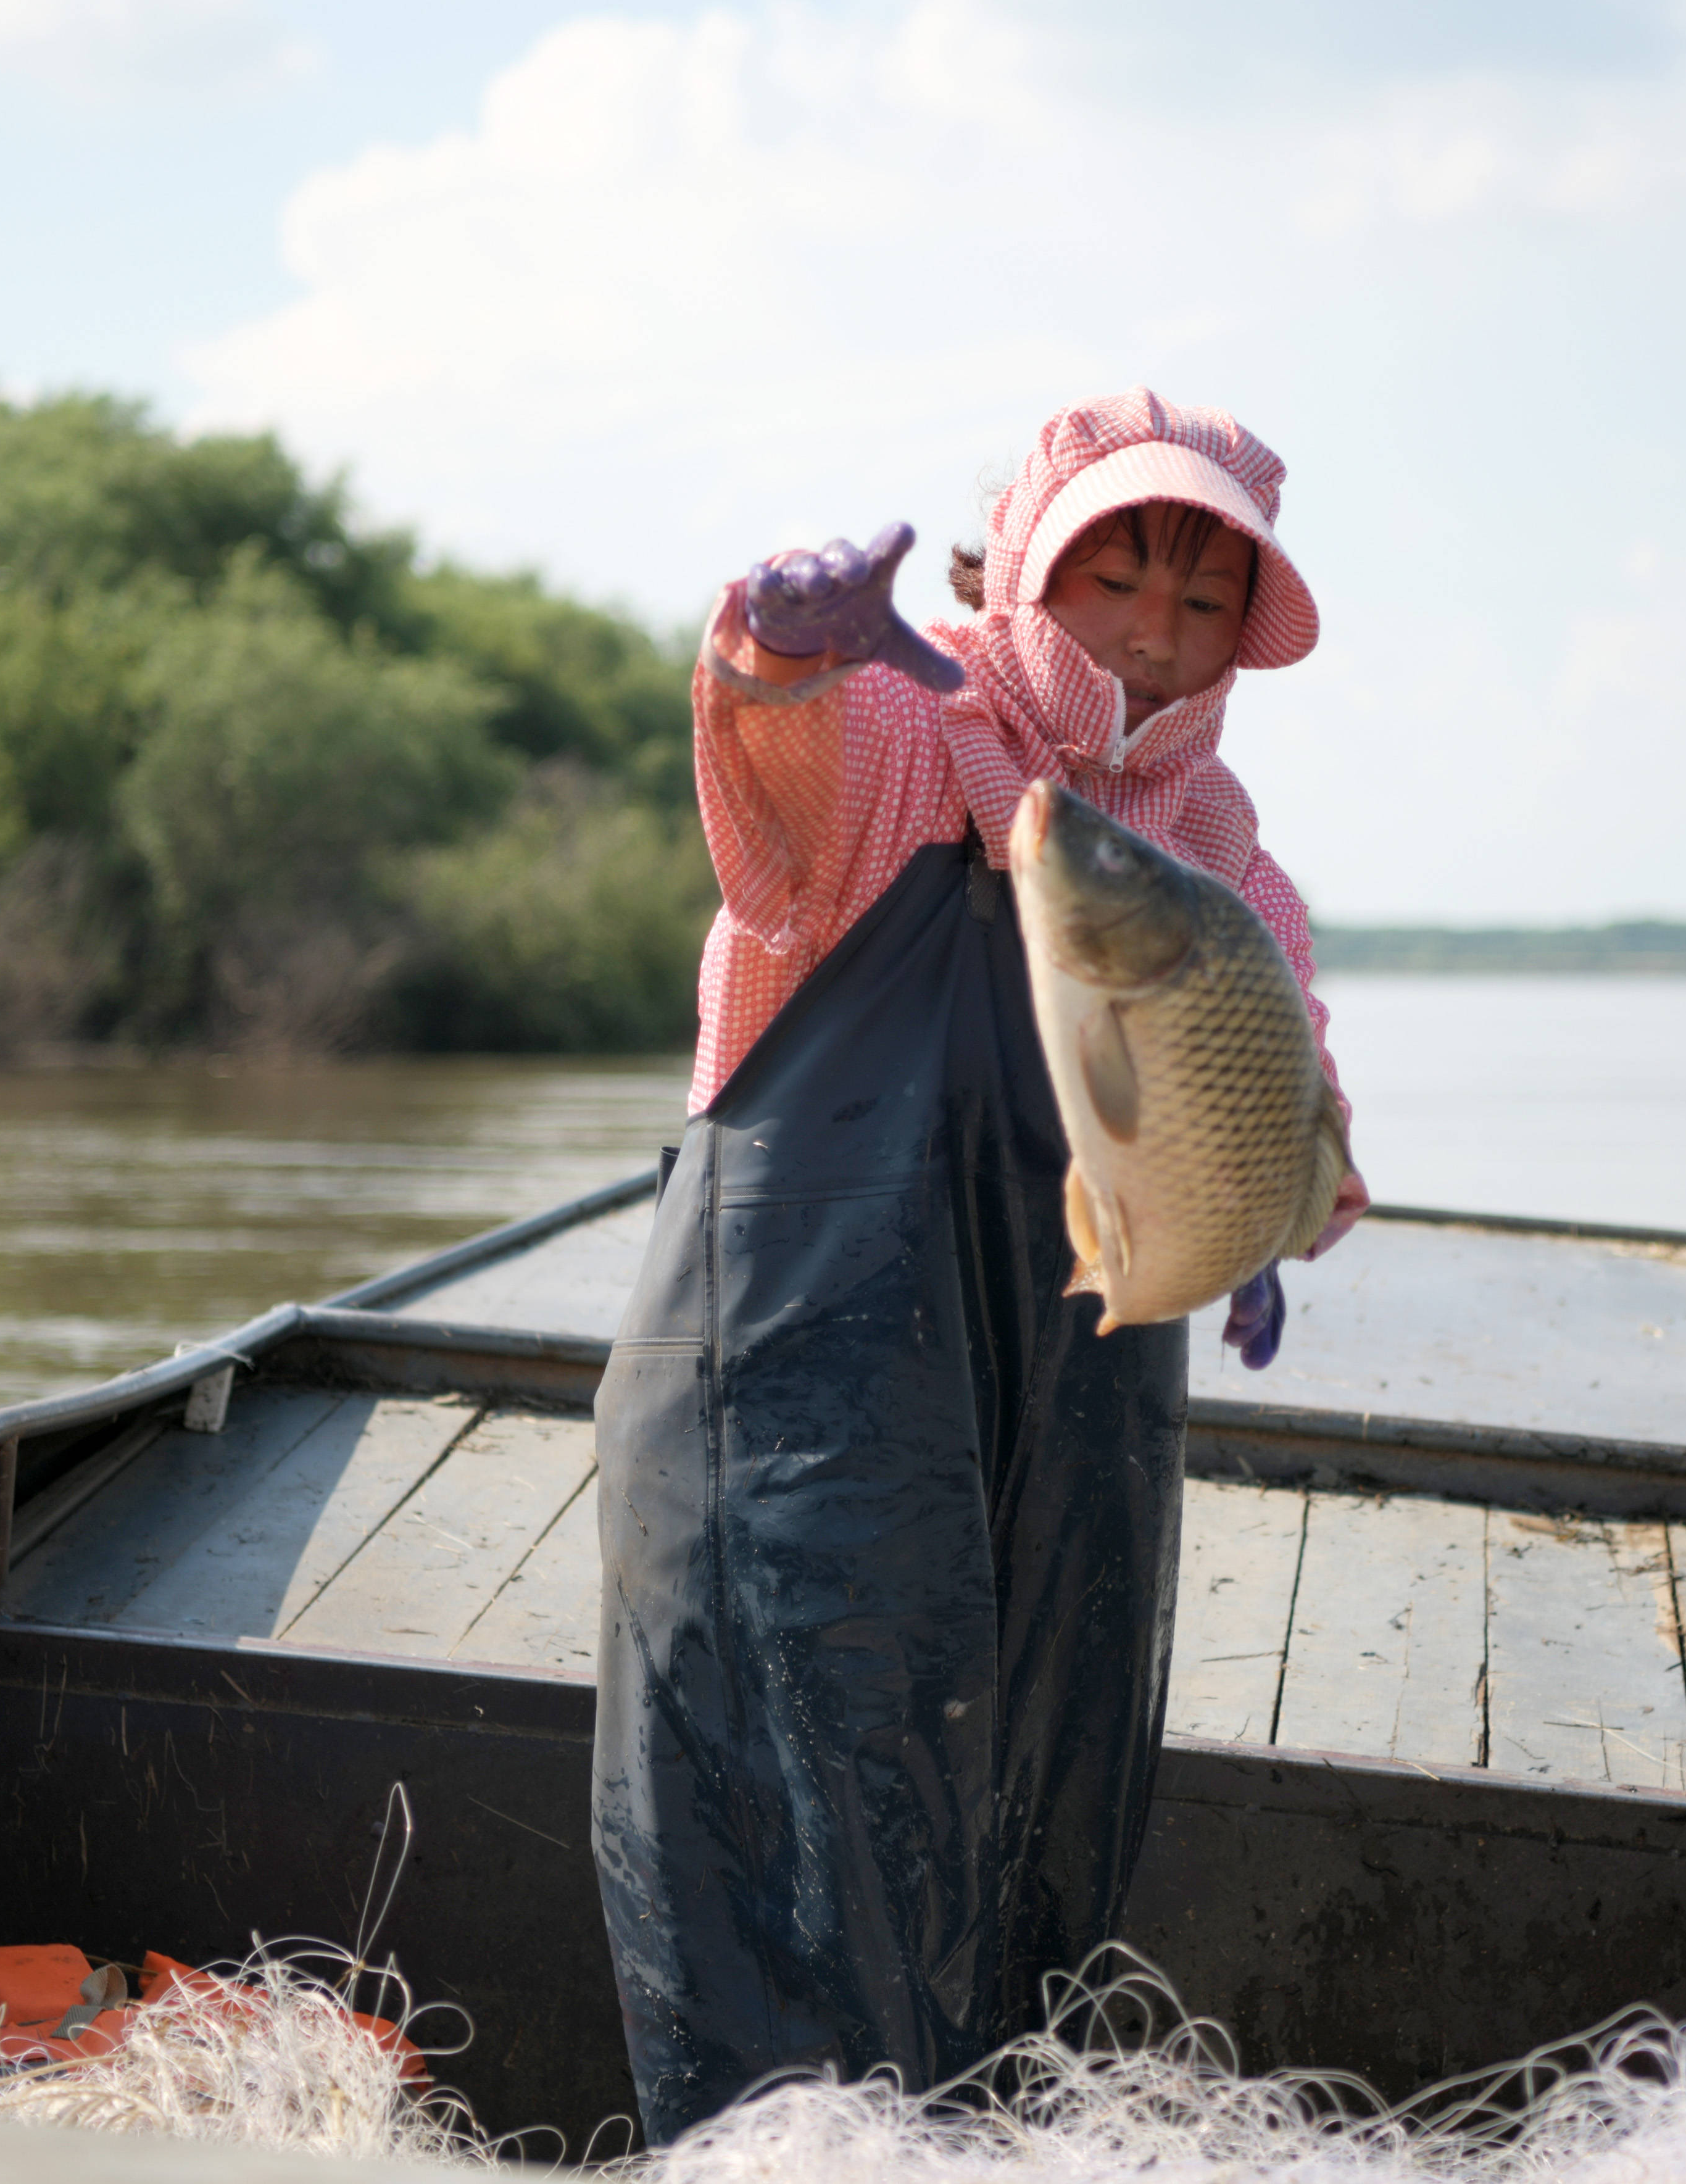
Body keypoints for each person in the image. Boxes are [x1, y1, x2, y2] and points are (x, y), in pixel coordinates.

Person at [588, 389, 1368, 2143]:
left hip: (1072, 1405)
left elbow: (1288, 1068)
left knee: (1023, 1809)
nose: (1157, 640)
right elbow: (777, 811)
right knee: (791, 1818)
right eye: (1118, 582)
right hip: (794, 1372)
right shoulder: (898, 720)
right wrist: (770, 666)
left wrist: (1281, 1203)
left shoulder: (1227, 854)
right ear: (1025, 563)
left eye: (1201, 603)